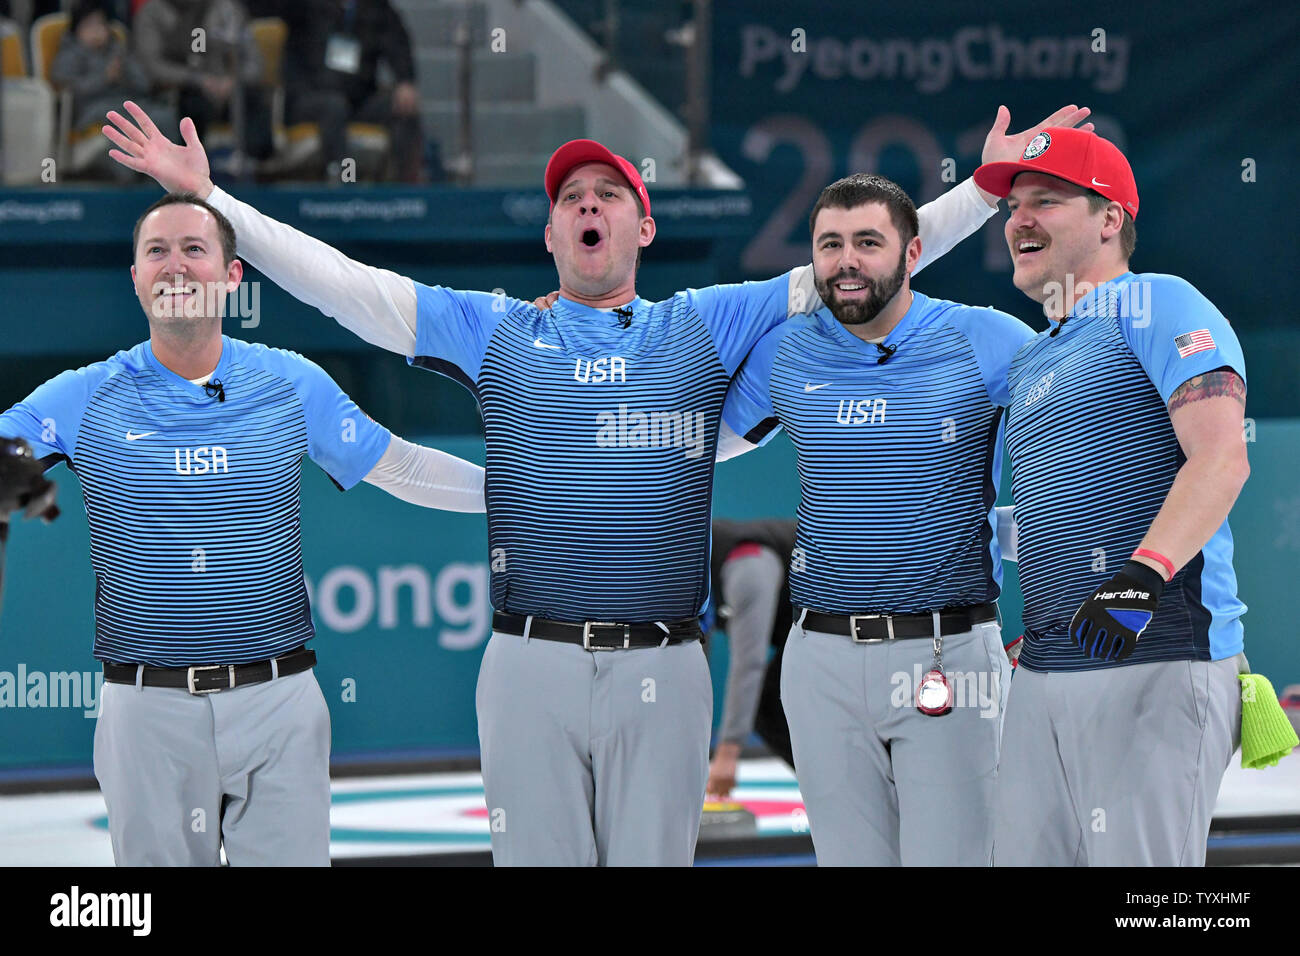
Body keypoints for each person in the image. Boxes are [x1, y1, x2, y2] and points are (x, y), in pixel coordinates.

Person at [101, 98, 1083, 866]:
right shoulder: (496, 329)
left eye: (607, 194)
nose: (585, 205)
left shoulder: (701, 324)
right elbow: (341, 282)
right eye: (569, 196)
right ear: (549, 236)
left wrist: (990, 188)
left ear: (642, 227)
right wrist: (216, 202)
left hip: (664, 663)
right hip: (527, 664)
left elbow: (864, 264)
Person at [0, 192, 486, 866]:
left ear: (232, 276)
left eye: (194, 249)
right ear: (136, 276)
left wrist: (522, 494)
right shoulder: (83, 395)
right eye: (157, 251)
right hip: (147, 710)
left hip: (278, 701)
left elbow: (400, 465)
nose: (175, 266)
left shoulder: (289, 383)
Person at [720, 173, 1036, 866]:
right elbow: (692, 442)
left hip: (948, 653)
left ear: (913, 252)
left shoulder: (988, 339)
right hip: (819, 662)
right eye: (829, 245)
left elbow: (1082, 452)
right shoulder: (786, 350)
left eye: (868, 241)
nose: (847, 261)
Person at [973, 128, 1249, 866]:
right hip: (1049, 667)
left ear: (1109, 220)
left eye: (1046, 201)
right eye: (1012, 206)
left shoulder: (1159, 302)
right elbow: (1035, 515)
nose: (1019, 219)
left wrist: (1139, 580)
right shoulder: (1032, 359)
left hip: (1158, 654)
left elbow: (1221, 459)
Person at [272, 0, 426, 182]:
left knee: (403, 109)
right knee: (335, 107)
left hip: (357, 99)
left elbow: (397, 43)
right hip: (308, 99)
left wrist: (405, 80)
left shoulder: (374, 8)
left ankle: (403, 187)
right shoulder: (305, 6)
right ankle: (345, 181)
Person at [706, 517, 798, 798]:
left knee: (771, 704)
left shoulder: (746, 566)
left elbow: (749, 664)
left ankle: (837, 792)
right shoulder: (686, 580)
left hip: (847, 621)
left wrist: (726, 754)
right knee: (769, 707)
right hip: (803, 631)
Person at [133, 0, 273, 166]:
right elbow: (152, 66)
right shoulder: (153, 12)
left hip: (229, 88)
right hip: (181, 90)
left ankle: (258, 166)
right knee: (190, 105)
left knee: (254, 99)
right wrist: (198, 80)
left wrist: (232, 81)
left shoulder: (227, 9)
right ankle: (187, 170)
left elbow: (254, 63)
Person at [50, 0, 178, 180]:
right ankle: (119, 177)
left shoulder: (118, 49)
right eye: (89, 25)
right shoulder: (70, 52)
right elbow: (68, 88)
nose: (95, 31)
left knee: (164, 116)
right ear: (77, 28)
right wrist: (104, 78)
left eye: (100, 25)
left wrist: (125, 71)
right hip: (91, 108)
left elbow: (144, 85)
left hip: (127, 102)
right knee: (124, 123)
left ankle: (161, 175)